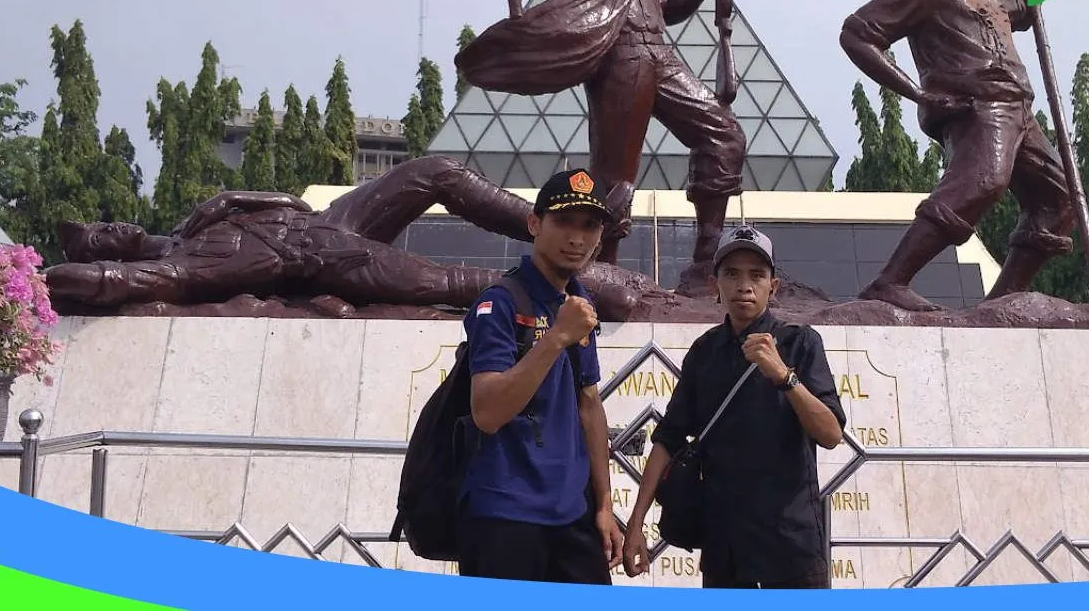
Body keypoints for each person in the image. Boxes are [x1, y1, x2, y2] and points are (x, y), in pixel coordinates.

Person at [457, 0, 748, 297]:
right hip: (620, 58)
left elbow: (664, 8)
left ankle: (704, 267)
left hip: (660, 54)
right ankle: (601, 273)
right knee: (615, 179)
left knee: (724, 135)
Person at [838, 0, 1075, 312]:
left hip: (1021, 109)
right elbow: (857, 33)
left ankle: (1000, 303)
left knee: (1057, 201)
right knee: (979, 184)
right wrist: (918, 91)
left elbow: (1023, 12)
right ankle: (891, 281)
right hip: (977, 107)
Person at [42, 155, 647, 319]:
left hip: (328, 218)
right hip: (312, 255)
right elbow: (114, 283)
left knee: (433, 171)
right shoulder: (183, 260)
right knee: (435, 282)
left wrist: (232, 198)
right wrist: (48, 284)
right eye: (100, 235)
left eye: (103, 224)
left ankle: (557, 221)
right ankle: (588, 281)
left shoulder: (194, 222)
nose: (112, 227)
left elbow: (289, 201)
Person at [621, 225, 847, 588]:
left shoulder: (800, 343)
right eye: (732, 274)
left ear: (773, 287)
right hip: (725, 550)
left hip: (791, 547)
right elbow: (667, 440)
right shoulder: (704, 351)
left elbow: (831, 433)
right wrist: (635, 525)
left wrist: (783, 376)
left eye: (757, 275)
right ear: (715, 286)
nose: (745, 285)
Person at [456, 167, 623, 583]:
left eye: (589, 226)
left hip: (573, 514)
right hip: (506, 515)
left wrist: (604, 504)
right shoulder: (499, 304)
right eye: (563, 221)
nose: (577, 238)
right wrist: (555, 338)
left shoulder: (578, 300)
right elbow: (488, 412)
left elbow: (590, 404)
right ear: (534, 224)